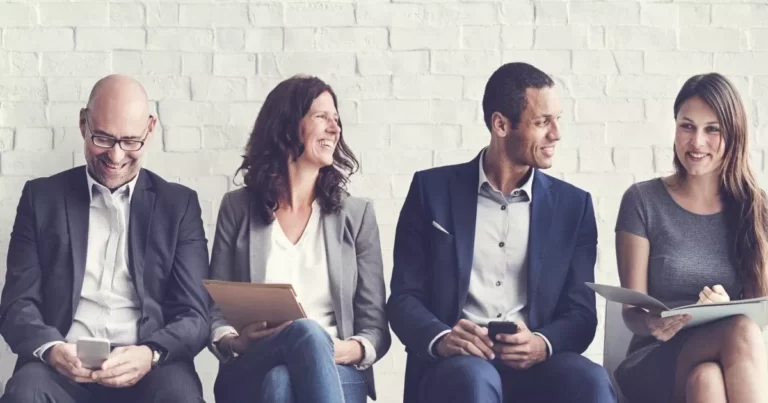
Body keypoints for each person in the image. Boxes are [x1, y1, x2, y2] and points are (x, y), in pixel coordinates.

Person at [386, 62, 616, 403]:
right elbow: (404, 298)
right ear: (501, 124)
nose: (556, 134)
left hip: (538, 365)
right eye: (542, 122)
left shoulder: (574, 206)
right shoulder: (430, 190)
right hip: (458, 365)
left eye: (557, 119)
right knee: (473, 380)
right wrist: (443, 337)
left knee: (592, 382)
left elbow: (582, 314)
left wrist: (541, 344)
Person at [0, 74, 210, 403]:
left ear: (151, 129)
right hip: (59, 369)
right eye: (103, 139)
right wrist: (53, 350)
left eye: (130, 142)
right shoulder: (41, 198)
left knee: (180, 395)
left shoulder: (178, 206)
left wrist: (151, 354)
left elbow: (195, 314)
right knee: (24, 393)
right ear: (83, 123)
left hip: (148, 369)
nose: (115, 156)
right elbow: (17, 304)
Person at [207, 74, 390, 403]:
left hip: (337, 368)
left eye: (337, 119)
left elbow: (375, 327)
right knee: (303, 335)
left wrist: (337, 349)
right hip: (253, 364)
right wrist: (236, 342)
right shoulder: (237, 208)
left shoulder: (356, 215)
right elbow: (215, 310)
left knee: (282, 381)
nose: (335, 128)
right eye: (322, 117)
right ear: (288, 125)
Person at [614, 72, 768, 403]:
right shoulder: (643, 201)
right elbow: (631, 310)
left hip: (724, 358)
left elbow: (762, 313)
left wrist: (726, 310)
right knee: (739, 330)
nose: (696, 142)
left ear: (734, 135)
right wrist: (654, 322)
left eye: (712, 129)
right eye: (687, 126)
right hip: (655, 357)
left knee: (707, 381)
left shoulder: (756, 208)